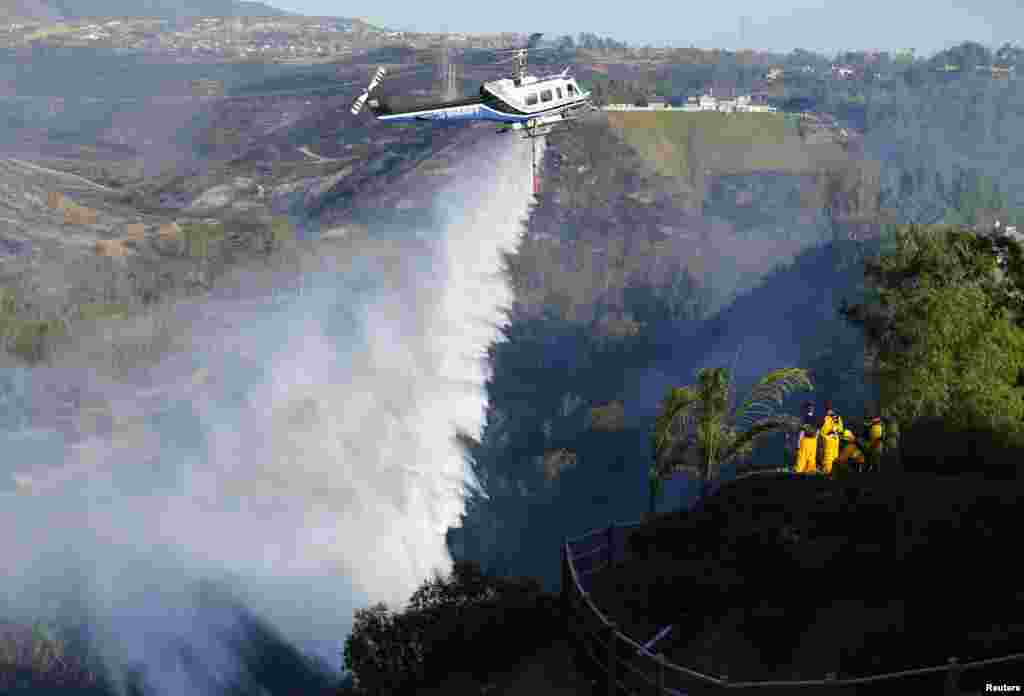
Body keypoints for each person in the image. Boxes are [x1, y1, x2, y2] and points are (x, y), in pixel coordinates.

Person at [819, 400, 843, 475]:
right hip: (835, 439)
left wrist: (825, 436)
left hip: (829, 440)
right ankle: (833, 473)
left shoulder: (824, 417)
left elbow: (822, 431)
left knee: (828, 458)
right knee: (834, 457)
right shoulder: (837, 417)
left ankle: (827, 473)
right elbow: (840, 429)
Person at [794, 401, 818, 474]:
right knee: (806, 459)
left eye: (812, 406)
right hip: (809, 440)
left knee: (805, 459)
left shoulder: (805, 418)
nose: (811, 408)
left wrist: (798, 444)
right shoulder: (807, 418)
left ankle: (802, 471)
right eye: (810, 406)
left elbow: (816, 430)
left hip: (809, 441)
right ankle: (804, 471)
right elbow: (802, 431)